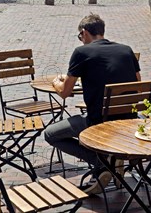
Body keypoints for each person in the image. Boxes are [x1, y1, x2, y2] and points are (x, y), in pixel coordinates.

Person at [44, 13, 140, 194]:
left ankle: (102, 163)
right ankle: (110, 160)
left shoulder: (81, 52)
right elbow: (137, 85)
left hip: (98, 122)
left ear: (84, 32)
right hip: (129, 121)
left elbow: (65, 92)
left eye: (80, 37)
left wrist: (57, 83)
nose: (81, 40)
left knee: (50, 134)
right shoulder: (126, 50)